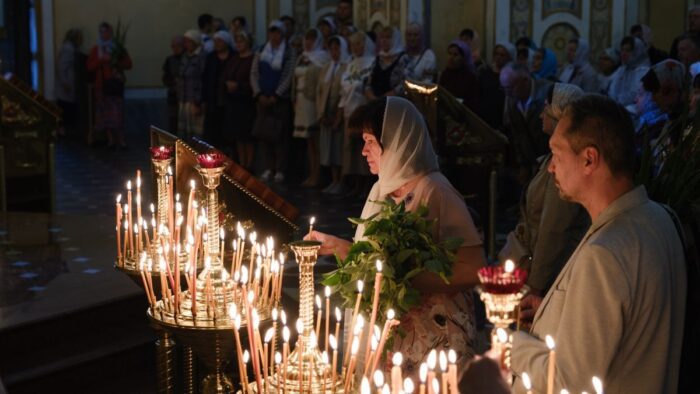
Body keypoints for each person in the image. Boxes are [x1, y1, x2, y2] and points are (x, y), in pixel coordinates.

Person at [511, 94, 686, 394]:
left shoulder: (605, 253)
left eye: (557, 153)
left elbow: (569, 382)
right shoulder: (659, 217)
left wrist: (510, 346)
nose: (551, 167)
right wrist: (562, 310)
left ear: (589, 159)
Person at [308, 96, 486, 376]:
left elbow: (473, 268)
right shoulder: (382, 190)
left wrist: (400, 277)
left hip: (433, 340)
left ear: (399, 142)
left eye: (371, 142)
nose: (364, 151)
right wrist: (338, 247)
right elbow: (376, 258)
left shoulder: (435, 190)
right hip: (397, 336)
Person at [500, 83, 589, 303]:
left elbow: (554, 229)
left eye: (546, 108)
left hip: (549, 276)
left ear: (559, 116)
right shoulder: (552, 159)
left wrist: (535, 286)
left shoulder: (563, 165)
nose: (541, 115)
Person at [251, 20, 295, 183]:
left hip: (279, 100)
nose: (274, 36)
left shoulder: (289, 52)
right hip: (262, 99)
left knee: (280, 136)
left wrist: (276, 94)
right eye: (272, 32)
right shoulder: (261, 50)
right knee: (264, 134)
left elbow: (288, 74)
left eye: (278, 33)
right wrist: (258, 94)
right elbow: (254, 72)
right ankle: (268, 166)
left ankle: (280, 169)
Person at [500, 63, 553, 184]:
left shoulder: (548, 93)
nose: (507, 93)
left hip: (550, 159)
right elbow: (517, 135)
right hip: (531, 162)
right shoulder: (512, 99)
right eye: (504, 89)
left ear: (525, 80)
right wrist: (523, 164)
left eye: (510, 88)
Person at [339, 31, 375, 197]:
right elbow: (345, 84)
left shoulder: (372, 62)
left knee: (365, 147)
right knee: (351, 150)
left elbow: (363, 84)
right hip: (349, 108)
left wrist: (353, 86)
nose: (356, 47)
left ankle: (367, 184)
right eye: (353, 45)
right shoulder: (351, 63)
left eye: (359, 44)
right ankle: (355, 183)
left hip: (363, 108)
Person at [87, 22, 133, 149]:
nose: (104, 34)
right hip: (101, 86)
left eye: (106, 32)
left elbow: (129, 64)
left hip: (115, 85)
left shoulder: (118, 48)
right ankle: (110, 140)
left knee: (118, 113)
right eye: (101, 32)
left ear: (111, 33)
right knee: (105, 115)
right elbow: (89, 67)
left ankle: (121, 140)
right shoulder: (96, 49)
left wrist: (116, 61)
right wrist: (102, 59)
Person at [293, 28, 329, 187]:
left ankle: (318, 174)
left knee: (315, 139)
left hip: (313, 102)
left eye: (311, 39)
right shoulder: (301, 57)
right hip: (300, 101)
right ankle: (311, 173)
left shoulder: (322, 58)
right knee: (308, 140)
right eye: (306, 39)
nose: (308, 42)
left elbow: (322, 83)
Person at [317, 36, 350, 194]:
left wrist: (338, 116)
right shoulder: (326, 67)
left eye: (337, 48)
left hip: (338, 112)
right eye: (332, 49)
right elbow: (320, 91)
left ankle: (341, 181)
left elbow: (343, 92)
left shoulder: (347, 67)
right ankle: (333, 179)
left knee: (338, 149)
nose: (334, 52)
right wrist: (320, 113)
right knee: (328, 149)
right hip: (326, 112)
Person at [222, 32, 256, 170]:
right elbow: (225, 75)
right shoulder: (234, 59)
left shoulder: (253, 59)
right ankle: (242, 162)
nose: (239, 45)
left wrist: (239, 86)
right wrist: (228, 84)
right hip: (233, 101)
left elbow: (253, 78)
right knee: (237, 135)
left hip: (246, 101)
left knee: (247, 135)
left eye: (241, 42)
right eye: (237, 42)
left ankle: (250, 163)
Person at [202, 30, 234, 146]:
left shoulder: (233, 56)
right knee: (213, 131)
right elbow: (205, 78)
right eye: (215, 41)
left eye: (219, 41)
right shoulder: (211, 57)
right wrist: (204, 99)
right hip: (213, 99)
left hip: (230, 100)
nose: (217, 44)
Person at [476, 41, 515, 129]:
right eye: (496, 54)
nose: (498, 57)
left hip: (502, 117)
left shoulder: (513, 75)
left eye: (502, 55)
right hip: (484, 115)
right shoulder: (485, 71)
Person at [608, 36, 650, 115]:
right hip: (618, 110)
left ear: (637, 52)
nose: (623, 53)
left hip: (635, 113)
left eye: (628, 50)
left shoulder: (644, 71)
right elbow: (612, 91)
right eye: (622, 50)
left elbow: (636, 95)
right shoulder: (622, 69)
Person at [177, 29, 206, 139]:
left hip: (194, 101)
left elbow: (201, 79)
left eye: (188, 41)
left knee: (196, 133)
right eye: (185, 42)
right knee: (184, 134)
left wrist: (197, 101)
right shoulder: (185, 56)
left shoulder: (201, 57)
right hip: (184, 99)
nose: (186, 44)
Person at [365, 27, 408, 99]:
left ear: (395, 39)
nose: (384, 40)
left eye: (388, 37)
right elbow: (368, 82)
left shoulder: (403, 58)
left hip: (395, 102)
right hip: (375, 102)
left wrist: (388, 96)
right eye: (382, 37)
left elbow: (406, 83)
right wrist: (372, 96)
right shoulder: (378, 58)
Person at [55, 28, 83, 138]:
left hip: (66, 86)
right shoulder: (69, 49)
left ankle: (64, 130)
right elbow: (62, 68)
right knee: (65, 109)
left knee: (66, 108)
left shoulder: (68, 48)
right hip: (66, 87)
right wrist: (65, 83)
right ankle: (62, 131)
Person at [438, 39, 479, 112]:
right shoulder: (445, 74)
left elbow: (473, 103)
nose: (451, 57)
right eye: (449, 53)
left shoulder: (470, 78)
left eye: (455, 55)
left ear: (463, 58)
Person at [162, 36, 184, 134]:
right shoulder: (169, 60)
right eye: (173, 46)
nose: (175, 49)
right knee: (173, 120)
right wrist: (173, 83)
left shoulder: (187, 58)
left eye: (177, 46)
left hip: (186, 96)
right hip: (173, 95)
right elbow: (165, 77)